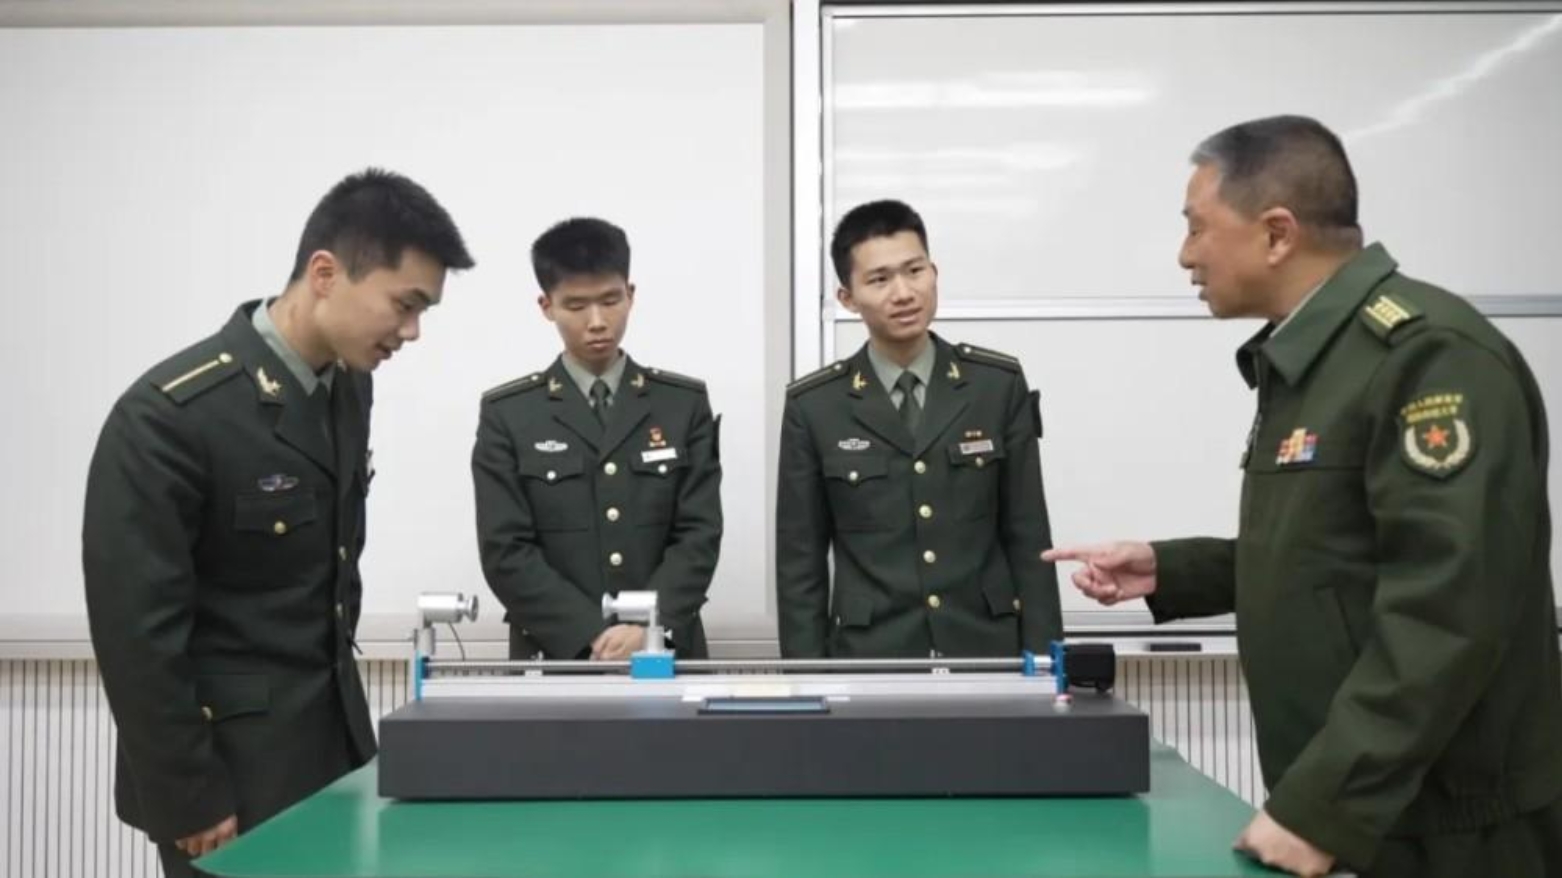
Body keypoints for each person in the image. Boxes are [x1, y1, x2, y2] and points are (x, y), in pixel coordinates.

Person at [1046, 115, 1562, 877]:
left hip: (1448, 828)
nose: (1186, 254)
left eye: (1197, 227)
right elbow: (1332, 555)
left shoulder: (1427, 356)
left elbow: (1449, 607)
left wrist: (1324, 806)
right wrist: (1170, 569)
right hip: (1373, 812)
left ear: (1277, 233)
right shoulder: (1317, 359)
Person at [82, 168, 474, 876]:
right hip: (229, 780)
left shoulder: (349, 389)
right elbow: (136, 636)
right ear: (325, 274)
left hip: (334, 751)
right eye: (404, 305)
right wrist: (189, 797)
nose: (412, 332)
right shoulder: (173, 416)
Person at [776, 199, 1061, 659]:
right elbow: (799, 566)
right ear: (847, 298)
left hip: (985, 648)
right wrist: (808, 681)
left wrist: (1046, 663)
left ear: (934, 272)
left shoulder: (995, 386)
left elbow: (1029, 538)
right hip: (870, 654)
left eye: (915, 271)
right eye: (879, 279)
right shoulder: (815, 406)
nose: (904, 292)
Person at [473, 217, 722, 661]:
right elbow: (505, 550)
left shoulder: (681, 405)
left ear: (631, 294)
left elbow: (698, 534)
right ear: (546, 306)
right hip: (554, 656)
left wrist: (648, 627)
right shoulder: (509, 414)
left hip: (666, 649)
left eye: (610, 300)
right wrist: (589, 634)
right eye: (575, 306)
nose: (597, 322)